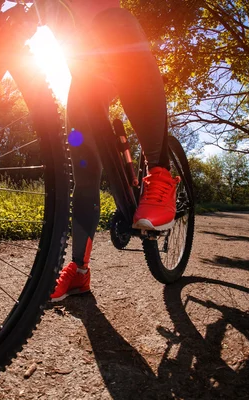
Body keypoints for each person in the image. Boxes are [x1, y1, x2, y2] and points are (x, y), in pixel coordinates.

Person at [36, 0, 178, 301]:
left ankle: (159, 171)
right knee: (84, 176)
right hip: (83, 70)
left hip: (114, 43)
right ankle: (79, 271)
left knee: (116, 24)